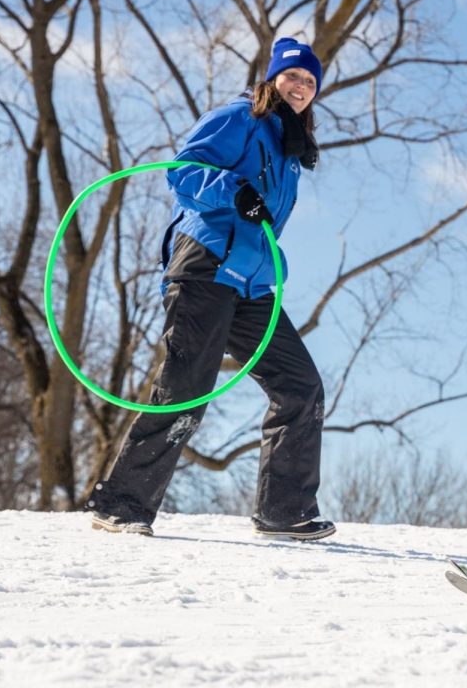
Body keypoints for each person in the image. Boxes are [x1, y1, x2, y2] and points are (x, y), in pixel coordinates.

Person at [88, 37, 335, 541]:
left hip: (253, 282)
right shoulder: (240, 117)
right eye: (293, 77)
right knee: (186, 389)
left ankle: (284, 512)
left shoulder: (290, 149)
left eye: (310, 82)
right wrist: (234, 191)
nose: (302, 87)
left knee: (301, 385)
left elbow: (263, 218)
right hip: (206, 265)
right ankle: (123, 504)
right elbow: (182, 173)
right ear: (273, 78)